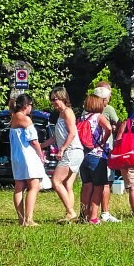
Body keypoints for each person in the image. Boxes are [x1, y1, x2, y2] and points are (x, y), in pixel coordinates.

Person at [41, 87, 84, 223]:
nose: (53, 102)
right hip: (73, 151)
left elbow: (72, 133)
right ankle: (69, 214)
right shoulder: (60, 114)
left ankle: (71, 212)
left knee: (56, 181)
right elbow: (55, 138)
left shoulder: (67, 112)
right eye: (51, 100)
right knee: (67, 184)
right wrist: (39, 146)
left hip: (71, 151)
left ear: (63, 98)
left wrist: (62, 149)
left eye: (55, 99)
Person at [9, 94, 46, 226]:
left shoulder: (13, 118)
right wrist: (41, 155)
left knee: (19, 186)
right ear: (26, 105)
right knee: (34, 185)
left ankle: (21, 219)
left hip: (16, 156)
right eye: (31, 105)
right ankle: (29, 219)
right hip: (27, 155)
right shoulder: (25, 119)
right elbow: (34, 141)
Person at [79, 94, 112, 225]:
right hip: (97, 155)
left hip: (84, 155)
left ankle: (84, 215)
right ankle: (93, 217)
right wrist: (103, 141)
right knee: (98, 187)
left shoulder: (82, 117)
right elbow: (108, 128)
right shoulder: (99, 117)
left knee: (87, 185)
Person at [94, 84, 121, 223]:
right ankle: (104, 212)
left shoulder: (87, 111)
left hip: (90, 151)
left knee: (91, 183)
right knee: (106, 182)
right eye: (108, 97)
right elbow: (116, 124)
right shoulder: (108, 109)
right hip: (105, 149)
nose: (109, 101)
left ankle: (88, 212)